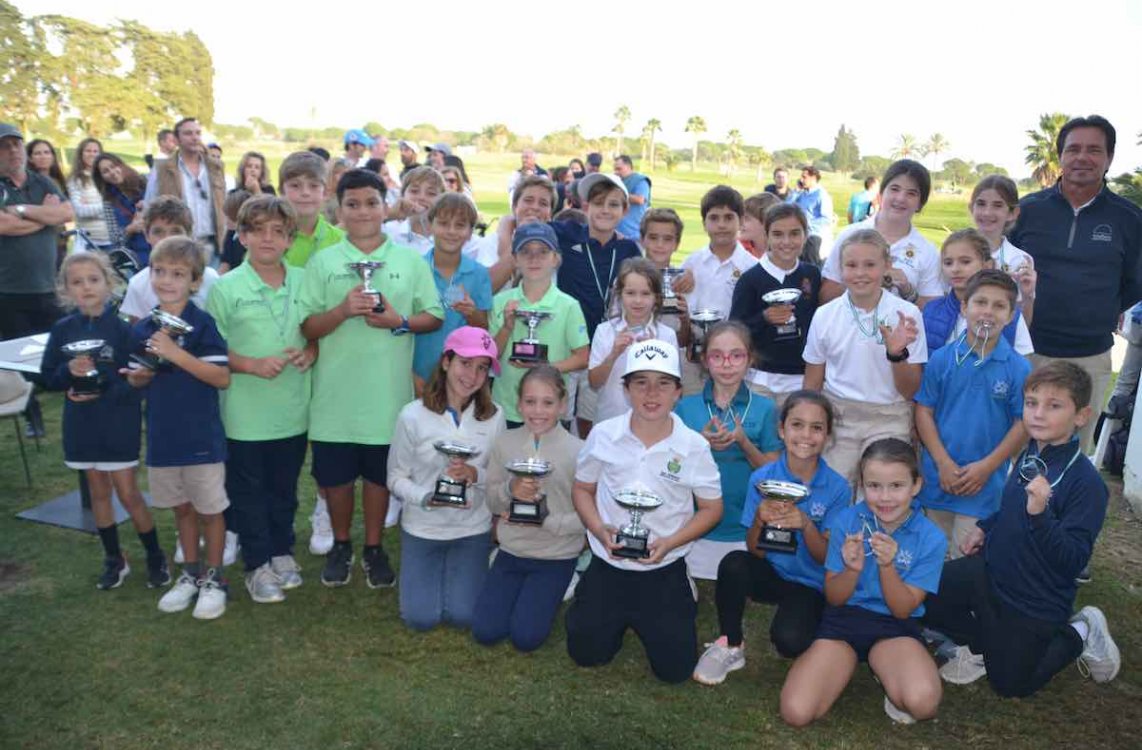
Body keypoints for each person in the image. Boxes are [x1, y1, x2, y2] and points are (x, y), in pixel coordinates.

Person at [923, 362, 1121, 695]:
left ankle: (1081, 630)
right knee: (920, 597)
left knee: (1011, 684)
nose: (1038, 414)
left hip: (1035, 598)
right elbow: (1010, 507)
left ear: (1082, 416)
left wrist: (1040, 514)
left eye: (1054, 406)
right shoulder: (1032, 450)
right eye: (1031, 403)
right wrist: (986, 527)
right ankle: (985, 644)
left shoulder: (1087, 484)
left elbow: (1072, 560)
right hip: (992, 573)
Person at [298, 168, 443, 589]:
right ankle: (342, 542)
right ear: (339, 209)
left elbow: (432, 316)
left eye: (371, 203)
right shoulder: (323, 261)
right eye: (352, 204)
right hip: (334, 397)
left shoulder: (409, 260)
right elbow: (307, 327)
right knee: (337, 479)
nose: (362, 211)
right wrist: (342, 311)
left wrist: (399, 321)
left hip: (386, 397)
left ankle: (374, 546)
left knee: (380, 478)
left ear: (386, 206)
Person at [566, 339, 723, 684]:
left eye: (663, 383)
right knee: (586, 653)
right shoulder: (604, 435)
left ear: (678, 392)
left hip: (663, 567)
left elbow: (712, 509)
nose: (652, 393)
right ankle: (593, 591)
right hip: (610, 563)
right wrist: (597, 528)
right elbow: (583, 488)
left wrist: (670, 542)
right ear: (625, 389)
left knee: (675, 672)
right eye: (640, 383)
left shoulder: (693, 446)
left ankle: (683, 589)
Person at [780, 438, 946, 726]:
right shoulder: (847, 521)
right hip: (842, 623)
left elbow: (902, 610)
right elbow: (834, 597)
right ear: (861, 485)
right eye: (874, 486)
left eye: (897, 486)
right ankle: (841, 665)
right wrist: (852, 569)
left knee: (923, 705)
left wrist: (887, 566)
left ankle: (889, 670)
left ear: (916, 485)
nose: (884, 497)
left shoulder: (931, 537)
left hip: (894, 629)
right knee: (796, 713)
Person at [692, 391, 849, 684]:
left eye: (817, 427)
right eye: (797, 425)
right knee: (734, 563)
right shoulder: (762, 478)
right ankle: (731, 645)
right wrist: (759, 520)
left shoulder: (838, 488)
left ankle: (819, 623)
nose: (806, 435)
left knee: (790, 642)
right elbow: (755, 550)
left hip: (810, 582)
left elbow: (826, 557)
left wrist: (805, 524)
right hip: (772, 571)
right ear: (781, 429)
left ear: (827, 435)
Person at [1009, 115, 1142, 451]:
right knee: (1015, 445)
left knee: (1072, 455)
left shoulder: (1129, 219)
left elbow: (1135, 282)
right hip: (1027, 351)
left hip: (1090, 357)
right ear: (1062, 156)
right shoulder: (1028, 210)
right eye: (1074, 149)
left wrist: (1101, 310)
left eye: (1094, 150)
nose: (1083, 157)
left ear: (1109, 158)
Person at [206, 196, 315, 604]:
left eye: (278, 231)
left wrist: (313, 352)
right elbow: (212, 349)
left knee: (284, 488)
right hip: (244, 414)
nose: (268, 238)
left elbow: (316, 331)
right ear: (243, 235)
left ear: (290, 239)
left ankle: (282, 551)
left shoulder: (305, 280)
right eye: (258, 230)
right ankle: (256, 563)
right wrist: (250, 364)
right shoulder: (227, 287)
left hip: (292, 410)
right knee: (249, 491)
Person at [41, 252, 168, 590]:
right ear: (66, 289)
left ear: (109, 284)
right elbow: (47, 379)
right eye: (77, 282)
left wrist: (106, 391)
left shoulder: (124, 330)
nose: (86, 288)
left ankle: (155, 555)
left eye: (93, 280)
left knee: (128, 493)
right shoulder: (61, 329)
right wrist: (68, 375)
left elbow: (138, 379)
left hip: (117, 423)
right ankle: (114, 558)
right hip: (81, 426)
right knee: (98, 492)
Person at [125, 236, 231, 620]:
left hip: (200, 436)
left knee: (210, 511)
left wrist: (175, 353)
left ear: (195, 281)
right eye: (159, 271)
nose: (166, 280)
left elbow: (220, 378)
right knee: (182, 510)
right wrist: (138, 378)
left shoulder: (202, 325)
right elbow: (143, 376)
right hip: (162, 437)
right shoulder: (143, 328)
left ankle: (215, 578)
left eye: (177, 273)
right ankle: (190, 574)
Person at [388, 327, 506, 630]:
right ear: (445, 362)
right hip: (423, 528)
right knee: (420, 619)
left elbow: (499, 476)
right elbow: (395, 477)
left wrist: (474, 473)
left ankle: (477, 562)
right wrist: (425, 498)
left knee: (464, 616)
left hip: (471, 530)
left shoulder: (495, 416)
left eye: (482, 367)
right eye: (465, 363)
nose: (472, 375)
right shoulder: (411, 415)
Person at [916, 269, 1031, 558]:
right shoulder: (942, 359)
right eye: (980, 302)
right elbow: (924, 411)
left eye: (999, 306)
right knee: (930, 557)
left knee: (965, 559)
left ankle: (961, 605)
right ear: (965, 307)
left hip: (982, 487)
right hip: (938, 479)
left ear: (1011, 315)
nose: (988, 313)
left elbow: (1022, 424)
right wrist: (942, 463)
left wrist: (987, 466)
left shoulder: (1018, 368)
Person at [472, 366, 585, 651]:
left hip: (556, 553)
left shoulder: (580, 450)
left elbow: (589, 516)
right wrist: (511, 490)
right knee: (486, 632)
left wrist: (548, 521)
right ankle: (499, 564)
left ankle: (572, 577)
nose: (538, 411)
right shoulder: (505, 443)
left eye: (548, 403)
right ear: (519, 403)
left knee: (526, 638)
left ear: (562, 405)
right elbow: (493, 501)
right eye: (530, 401)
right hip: (513, 549)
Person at [803, 229, 926, 483]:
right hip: (839, 416)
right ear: (840, 268)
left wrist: (896, 354)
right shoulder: (825, 315)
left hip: (889, 418)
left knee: (882, 495)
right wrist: (810, 424)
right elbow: (813, 381)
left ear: (887, 266)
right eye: (851, 265)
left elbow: (909, 390)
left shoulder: (907, 315)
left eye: (870, 265)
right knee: (833, 495)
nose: (860, 273)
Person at [675, 321, 781, 580]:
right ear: (704, 360)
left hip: (744, 527)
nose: (726, 363)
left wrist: (744, 443)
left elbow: (773, 475)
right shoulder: (685, 407)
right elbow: (671, 468)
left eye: (736, 355)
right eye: (717, 356)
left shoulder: (766, 407)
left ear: (750, 359)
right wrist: (699, 443)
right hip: (694, 526)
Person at [0, 123, 74, 438]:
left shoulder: (41, 181)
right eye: (5, 146)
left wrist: (20, 211)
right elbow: (3, 226)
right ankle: (33, 417)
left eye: (17, 144)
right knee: (18, 358)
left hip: (48, 285)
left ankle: (77, 399)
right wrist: (42, 218)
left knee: (59, 347)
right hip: (9, 289)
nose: (14, 151)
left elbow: (65, 213)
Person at [491, 222, 589, 428]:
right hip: (506, 407)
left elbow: (582, 358)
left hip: (549, 410)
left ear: (555, 258)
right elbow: (491, 356)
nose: (534, 259)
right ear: (515, 259)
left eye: (543, 252)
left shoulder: (568, 306)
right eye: (526, 252)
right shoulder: (500, 302)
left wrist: (545, 367)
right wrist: (507, 328)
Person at [820, 160, 942, 309]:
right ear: (880, 194)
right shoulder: (849, 235)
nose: (901, 198)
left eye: (911, 193)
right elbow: (825, 297)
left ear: (920, 204)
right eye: (895, 189)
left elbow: (934, 312)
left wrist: (908, 291)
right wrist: (859, 282)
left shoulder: (928, 252)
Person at [731, 203, 821, 404]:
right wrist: (763, 318)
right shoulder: (750, 279)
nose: (786, 242)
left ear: (805, 235)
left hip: (801, 377)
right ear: (766, 236)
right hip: (759, 378)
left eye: (794, 233)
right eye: (778, 234)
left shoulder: (812, 275)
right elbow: (735, 330)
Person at [680, 186, 758, 394]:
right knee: (693, 414)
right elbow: (681, 310)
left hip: (734, 360)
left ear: (741, 221)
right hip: (693, 358)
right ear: (704, 223)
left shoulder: (752, 267)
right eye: (714, 218)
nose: (721, 225)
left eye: (728, 217)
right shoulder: (691, 263)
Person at [413, 193, 492, 387]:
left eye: (460, 225)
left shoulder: (478, 274)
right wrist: (413, 377)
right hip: (418, 374)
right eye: (443, 223)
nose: (451, 231)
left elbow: (483, 329)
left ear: (470, 232)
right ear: (430, 226)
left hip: (461, 380)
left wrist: (471, 312)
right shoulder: (414, 269)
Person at [589, 258, 679, 423]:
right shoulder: (604, 331)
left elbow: (672, 388)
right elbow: (594, 383)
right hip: (610, 421)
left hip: (651, 423)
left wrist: (653, 354)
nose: (638, 300)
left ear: (656, 298)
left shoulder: (667, 335)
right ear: (620, 295)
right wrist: (614, 354)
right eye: (630, 293)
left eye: (645, 294)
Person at [923, 229, 1033, 356]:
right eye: (948, 263)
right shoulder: (931, 310)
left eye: (965, 261)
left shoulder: (1010, 314)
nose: (955, 269)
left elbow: (1024, 364)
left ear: (987, 265)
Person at [119, 197, 219, 324]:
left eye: (175, 231)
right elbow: (137, 334)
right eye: (158, 232)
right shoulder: (138, 285)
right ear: (146, 236)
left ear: (189, 235)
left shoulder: (209, 277)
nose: (167, 239)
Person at [144, 117, 227, 265]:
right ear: (176, 139)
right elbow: (149, 206)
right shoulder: (161, 168)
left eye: (197, 133)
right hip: (176, 245)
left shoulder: (215, 167)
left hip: (211, 246)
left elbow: (224, 206)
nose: (195, 138)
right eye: (188, 133)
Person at [969, 175, 1036, 325]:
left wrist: (1028, 296)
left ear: (1013, 213)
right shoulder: (955, 252)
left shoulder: (1019, 260)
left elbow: (1023, 325)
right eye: (981, 204)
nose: (987, 212)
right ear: (971, 207)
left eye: (997, 205)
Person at [639, 207, 692, 352]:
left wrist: (684, 319)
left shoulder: (682, 283)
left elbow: (682, 342)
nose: (660, 245)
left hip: (669, 362)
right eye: (653, 238)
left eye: (667, 239)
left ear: (677, 244)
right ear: (642, 240)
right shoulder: (626, 279)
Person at [91, 154, 150, 264]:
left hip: (160, 243)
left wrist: (149, 205)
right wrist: (130, 228)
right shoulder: (108, 202)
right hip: (138, 254)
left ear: (121, 165)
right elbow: (115, 239)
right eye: (106, 171)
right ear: (102, 178)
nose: (112, 172)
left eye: (113, 166)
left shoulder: (145, 182)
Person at [25, 138, 68, 267]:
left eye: (46, 152)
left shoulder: (57, 181)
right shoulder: (28, 183)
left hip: (60, 239)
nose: (43, 156)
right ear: (30, 158)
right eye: (37, 153)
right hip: (37, 241)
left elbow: (66, 213)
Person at [383, 166, 444, 254]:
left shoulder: (450, 235)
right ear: (402, 195)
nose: (421, 198)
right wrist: (389, 216)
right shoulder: (389, 231)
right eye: (414, 191)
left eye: (431, 193)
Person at [67, 137, 110, 250]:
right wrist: (107, 208)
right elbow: (80, 211)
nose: (92, 154)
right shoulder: (76, 180)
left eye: (96, 151)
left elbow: (119, 209)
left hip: (111, 240)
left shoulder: (108, 177)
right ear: (81, 154)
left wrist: (91, 207)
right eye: (88, 151)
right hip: (88, 241)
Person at [789, 166, 834, 263]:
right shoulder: (801, 193)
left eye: (804, 177)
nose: (801, 180)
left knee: (810, 266)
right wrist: (795, 192)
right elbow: (785, 208)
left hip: (812, 237)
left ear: (813, 178)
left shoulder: (822, 195)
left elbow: (826, 219)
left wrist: (807, 224)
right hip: (798, 236)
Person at [614, 155, 650, 239]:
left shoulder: (640, 181)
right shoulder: (617, 181)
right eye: (615, 169)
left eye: (619, 169)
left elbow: (640, 199)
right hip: (617, 231)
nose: (617, 172)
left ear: (629, 167)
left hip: (633, 233)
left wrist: (617, 194)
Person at [218, 189, 253, 273]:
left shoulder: (252, 239)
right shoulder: (231, 233)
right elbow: (225, 263)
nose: (226, 222)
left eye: (230, 218)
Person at [739, 193, 780, 258]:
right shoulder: (737, 248)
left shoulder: (782, 252)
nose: (740, 222)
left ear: (766, 224)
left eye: (746, 218)